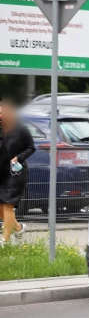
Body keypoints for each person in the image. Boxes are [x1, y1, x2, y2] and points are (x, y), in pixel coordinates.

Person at [0, 101, 33, 244]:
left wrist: (18, 158)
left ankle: (5, 240)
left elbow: (31, 147)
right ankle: (18, 228)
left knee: (8, 204)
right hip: (1, 171)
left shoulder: (21, 129)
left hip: (15, 171)